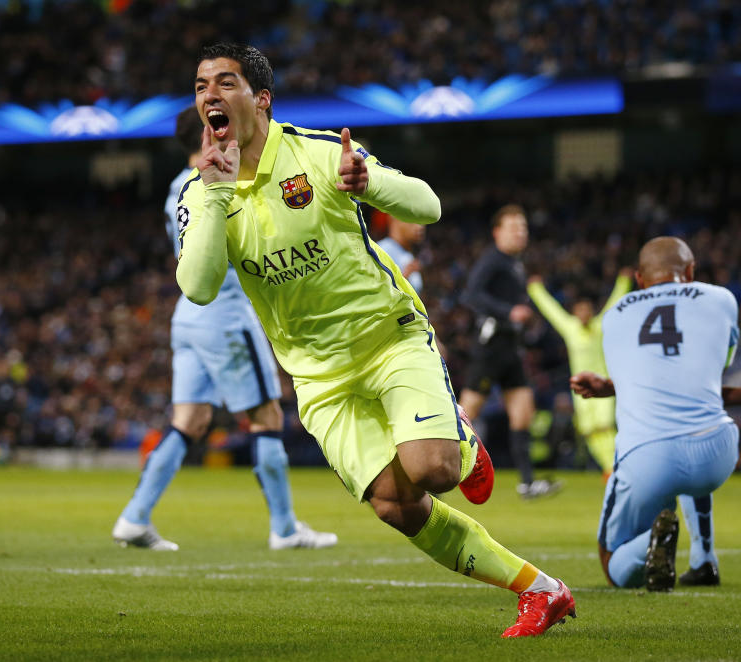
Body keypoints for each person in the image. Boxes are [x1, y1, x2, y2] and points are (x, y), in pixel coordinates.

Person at [175, 42, 575, 638]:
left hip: (387, 338)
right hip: (318, 377)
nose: (210, 94)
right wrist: (213, 191)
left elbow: (429, 205)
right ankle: (541, 591)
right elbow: (200, 286)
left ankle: (460, 441)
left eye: (225, 83)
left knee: (434, 469)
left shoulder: (315, 154)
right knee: (396, 503)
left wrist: (370, 185)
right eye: (203, 85)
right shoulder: (199, 192)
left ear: (260, 100)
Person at [112, 106, 337, 552]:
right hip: (226, 314)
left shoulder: (177, 187)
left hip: (189, 317)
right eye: (215, 125)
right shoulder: (214, 181)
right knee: (266, 416)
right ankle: (286, 527)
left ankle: (134, 518)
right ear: (203, 136)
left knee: (189, 421)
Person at [570, 237, 741, 591]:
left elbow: (651, 380)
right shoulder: (721, 299)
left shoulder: (617, 314)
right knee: (693, 428)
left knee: (612, 564)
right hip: (717, 450)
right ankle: (704, 561)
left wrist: (609, 386)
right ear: (690, 271)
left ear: (639, 278)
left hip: (648, 459)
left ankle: (653, 539)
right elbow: (699, 379)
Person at [457, 205, 561, 499]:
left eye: (523, 227)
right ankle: (440, 475)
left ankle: (527, 483)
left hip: (510, 348)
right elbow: (472, 294)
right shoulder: (492, 260)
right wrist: (508, 311)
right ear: (497, 232)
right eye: (514, 227)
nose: (521, 232)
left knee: (523, 413)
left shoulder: (515, 263)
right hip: (491, 348)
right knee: (466, 415)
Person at [527, 270, 633, 476]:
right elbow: (551, 310)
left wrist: (623, 281)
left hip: (602, 385)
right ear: (575, 313)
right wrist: (535, 289)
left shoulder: (599, 326)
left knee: (604, 426)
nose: (584, 314)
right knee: (588, 429)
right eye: (580, 310)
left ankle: (613, 467)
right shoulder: (570, 328)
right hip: (581, 387)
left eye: (587, 310)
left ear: (592, 312)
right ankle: (609, 466)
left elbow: (615, 303)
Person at [377, 214, 425, 293]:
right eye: (412, 220)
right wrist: (404, 277)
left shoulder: (408, 254)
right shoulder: (381, 250)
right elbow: (377, 293)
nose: (420, 227)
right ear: (394, 219)